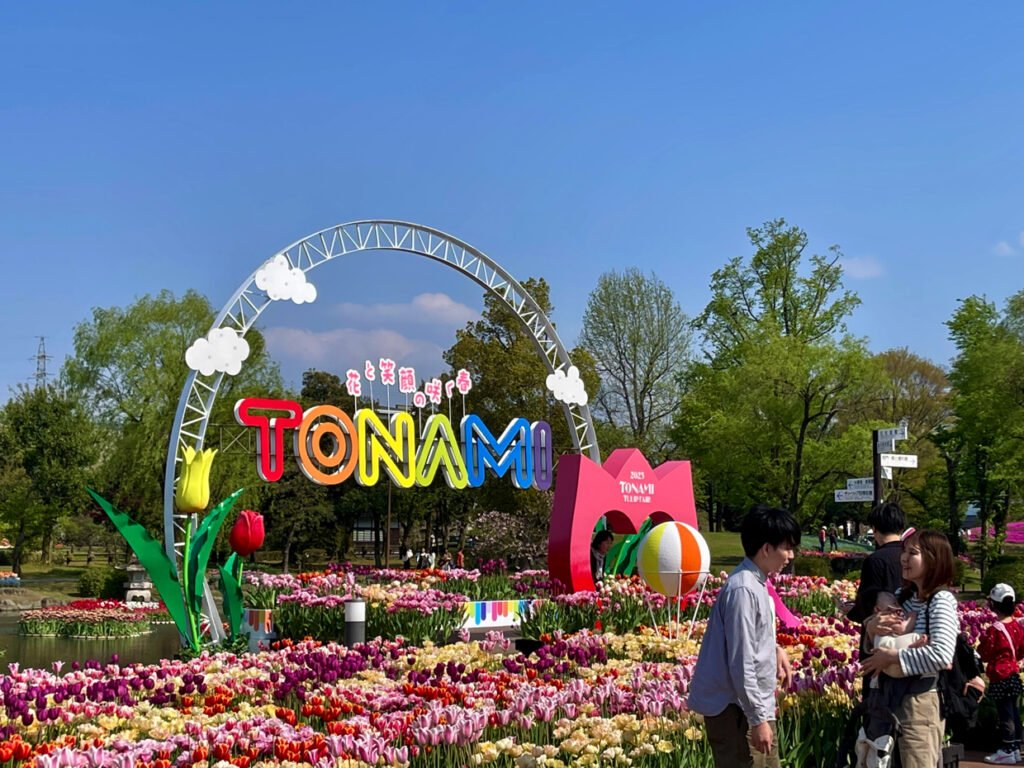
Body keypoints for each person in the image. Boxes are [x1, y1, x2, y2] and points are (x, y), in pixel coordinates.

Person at [688, 504, 799, 768]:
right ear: (766, 548)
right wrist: (758, 719)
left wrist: (774, 649)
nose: (790, 556)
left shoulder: (754, 582)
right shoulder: (744, 590)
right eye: (786, 547)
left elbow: (749, 640)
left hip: (747, 706)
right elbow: (741, 661)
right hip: (736, 710)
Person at [860, 529, 960, 768]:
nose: (904, 558)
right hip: (887, 698)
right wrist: (871, 630)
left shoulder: (941, 601)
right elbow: (878, 645)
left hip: (919, 703)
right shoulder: (902, 597)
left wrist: (893, 657)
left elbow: (942, 654)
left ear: (934, 559)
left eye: (912, 553)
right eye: (904, 551)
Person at [846, 502, 907, 657]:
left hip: (882, 633)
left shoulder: (875, 560)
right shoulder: (912, 556)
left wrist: (850, 611)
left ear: (874, 529)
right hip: (910, 630)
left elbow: (868, 601)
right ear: (901, 528)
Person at [977, 583, 1024, 764]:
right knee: (1014, 711)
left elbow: (984, 653)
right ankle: (1016, 748)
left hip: (1000, 675)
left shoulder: (995, 629)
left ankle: (1006, 749)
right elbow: (1021, 650)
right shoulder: (1016, 625)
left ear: (994, 605)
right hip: (1013, 674)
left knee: (1005, 713)